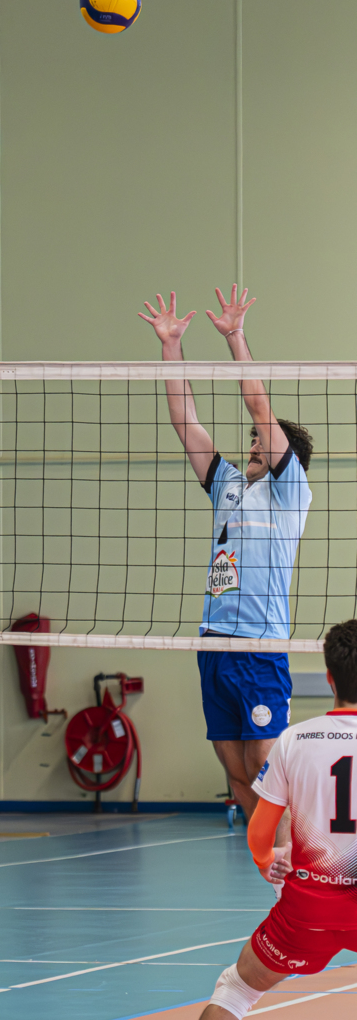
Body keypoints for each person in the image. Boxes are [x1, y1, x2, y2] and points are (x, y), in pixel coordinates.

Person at [152, 617, 357, 1020]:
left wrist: (272, 863)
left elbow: (261, 833)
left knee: (237, 989)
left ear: (329, 678)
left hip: (308, 910)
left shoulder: (295, 740)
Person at [139, 287, 313, 827]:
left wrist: (235, 336)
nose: (255, 443)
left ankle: (294, 853)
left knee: (265, 763)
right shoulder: (228, 485)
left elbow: (260, 406)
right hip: (213, 643)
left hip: (261, 645)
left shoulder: (291, 492)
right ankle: (268, 861)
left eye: (264, 439)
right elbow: (185, 422)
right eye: (254, 440)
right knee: (237, 774)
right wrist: (172, 346)